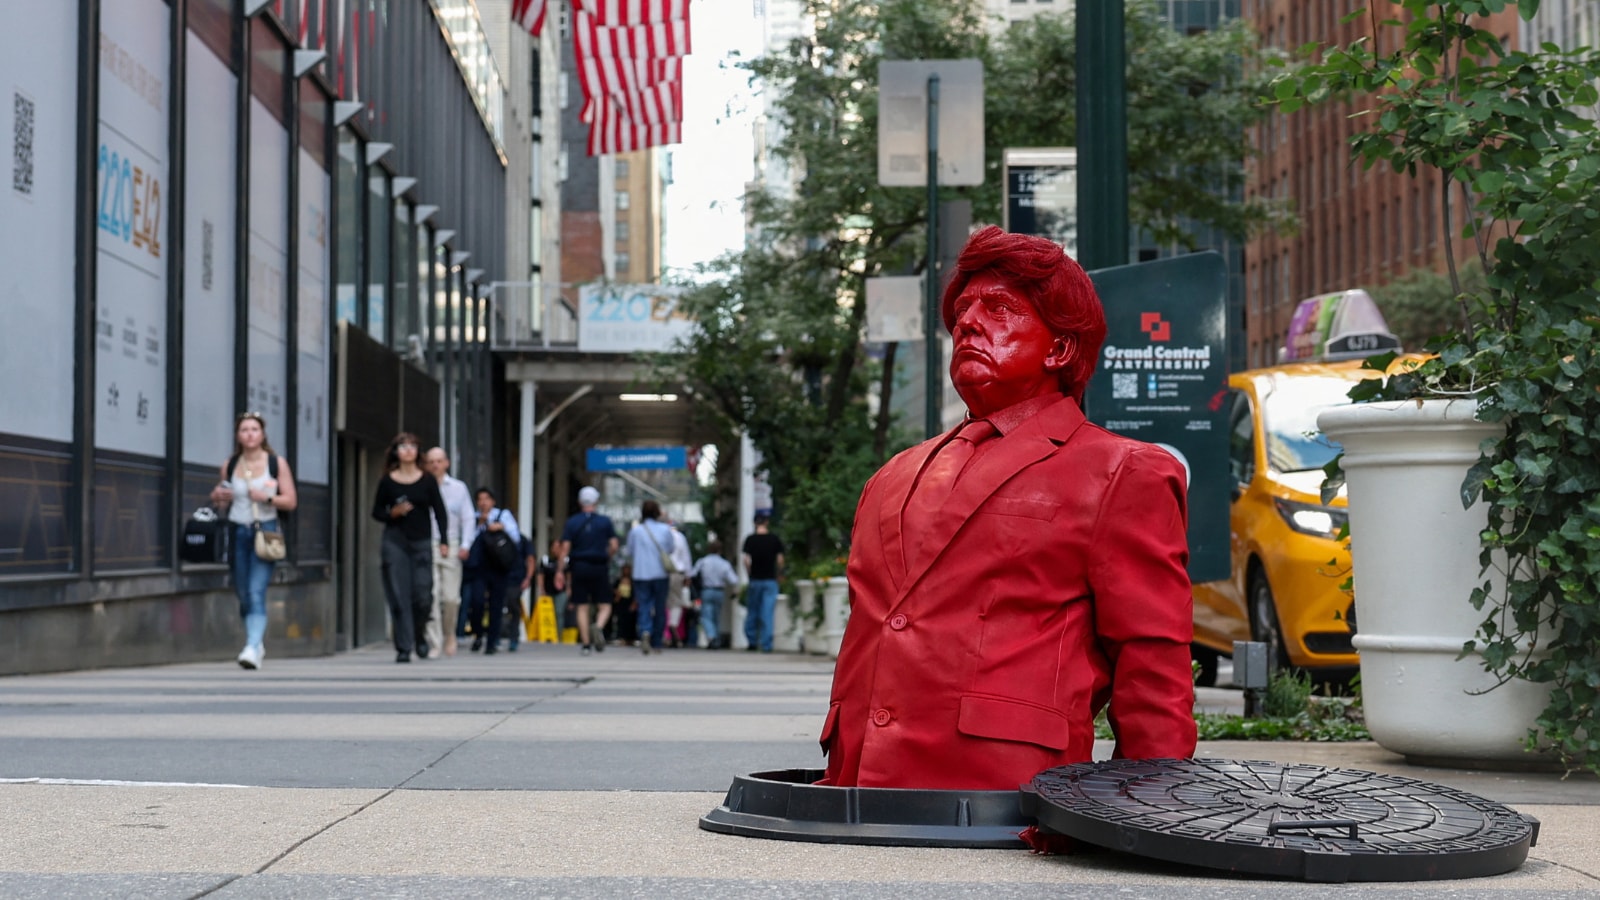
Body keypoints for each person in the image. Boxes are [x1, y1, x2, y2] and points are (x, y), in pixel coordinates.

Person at [818, 226, 1197, 791]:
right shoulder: (890, 477)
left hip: (1008, 803)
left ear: (1059, 348)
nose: (968, 322)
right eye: (964, 310)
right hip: (856, 793)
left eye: (999, 308)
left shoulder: (1122, 472)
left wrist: (1145, 810)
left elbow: (1153, 663)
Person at [210, 412, 298, 670]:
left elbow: (291, 501)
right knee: (243, 593)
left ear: (262, 434)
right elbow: (223, 498)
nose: (249, 434)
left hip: (265, 531)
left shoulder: (275, 463)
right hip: (237, 531)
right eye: (244, 430)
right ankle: (255, 642)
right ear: (238, 435)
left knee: (256, 590)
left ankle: (251, 646)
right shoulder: (231, 463)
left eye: (254, 429)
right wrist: (218, 495)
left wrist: (266, 497)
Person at [371, 433, 449, 664]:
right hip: (395, 542)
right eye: (403, 446)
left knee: (423, 594)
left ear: (418, 451)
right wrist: (391, 513)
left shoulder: (427, 480)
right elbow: (376, 512)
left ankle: (419, 634)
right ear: (396, 451)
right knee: (398, 594)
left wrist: (444, 540)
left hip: (422, 542)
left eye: (412, 446)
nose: (407, 450)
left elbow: (440, 511)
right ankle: (404, 647)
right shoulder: (387, 481)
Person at [424, 447, 477, 657]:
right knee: (431, 595)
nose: (435, 465)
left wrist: (466, 544)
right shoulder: (423, 487)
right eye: (431, 461)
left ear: (446, 463)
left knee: (451, 598)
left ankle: (450, 634)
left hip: (452, 545)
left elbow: (468, 518)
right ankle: (434, 641)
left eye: (439, 461)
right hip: (427, 545)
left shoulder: (458, 488)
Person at [558, 485, 617, 655]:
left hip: (579, 566)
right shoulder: (605, 522)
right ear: (596, 502)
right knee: (605, 605)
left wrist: (560, 570)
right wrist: (607, 555)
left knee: (581, 607)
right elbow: (613, 545)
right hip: (599, 565)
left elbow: (565, 548)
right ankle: (597, 627)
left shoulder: (572, 522)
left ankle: (585, 644)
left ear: (579, 502)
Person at [469, 487, 522, 655]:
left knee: (496, 604)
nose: (483, 503)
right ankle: (478, 632)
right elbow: (468, 540)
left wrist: (500, 527)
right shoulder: (473, 518)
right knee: (476, 601)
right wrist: (480, 525)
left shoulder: (503, 516)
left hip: (499, 566)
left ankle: (492, 641)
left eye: (486, 499)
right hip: (479, 566)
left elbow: (516, 537)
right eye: (480, 499)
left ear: (493, 501)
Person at [624, 500, 675, 654]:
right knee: (660, 607)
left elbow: (629, 552)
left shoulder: (636, 531)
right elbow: (670, 549)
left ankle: (645, 631)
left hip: (641, 573)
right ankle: (657, 641)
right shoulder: (665, 530)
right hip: (660, 573)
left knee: (644, 605)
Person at [741, 515, 786, 653]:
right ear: (767, 522)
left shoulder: (750, 540)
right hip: (770, 579)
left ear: (754, 523)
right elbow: (780, 559)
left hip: (755, 579)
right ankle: (766, 644)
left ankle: (752, 641)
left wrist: (749, 573)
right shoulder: (774, 539)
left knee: (752, 611)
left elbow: (746, 561)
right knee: (767, 612)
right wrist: (779, 573)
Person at [690, 540, 739, 649]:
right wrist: (735, 591)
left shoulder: (703, 561)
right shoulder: (724, 563)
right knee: (716, 616)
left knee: (706, 616)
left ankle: (711, 636)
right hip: (719, 591)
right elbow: (733, 579)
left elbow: (692, 574)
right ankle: (715, 638)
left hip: (706, 590)